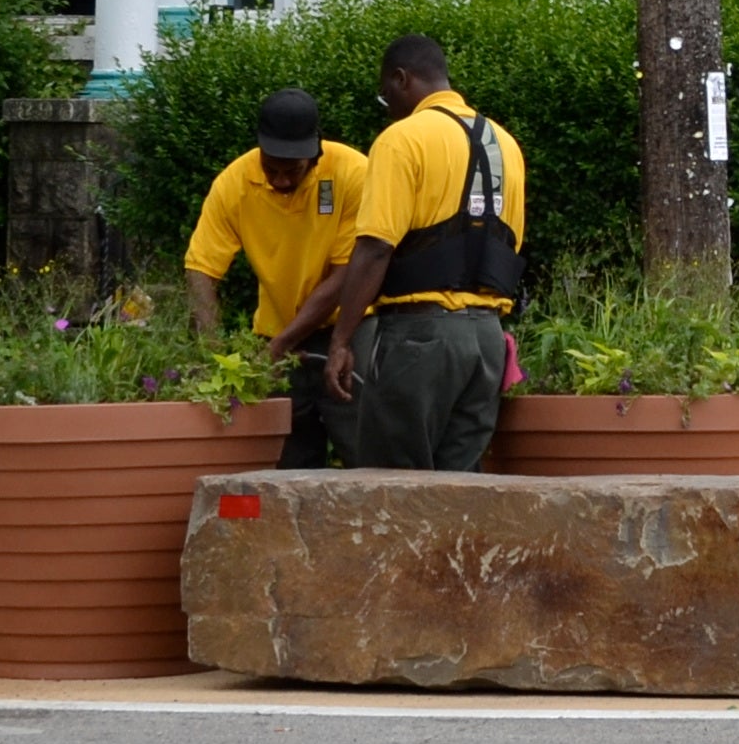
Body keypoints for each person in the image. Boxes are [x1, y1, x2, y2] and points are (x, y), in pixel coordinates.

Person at [294, 33, 526, 473]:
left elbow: (376, 247)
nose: (389, 106)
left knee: (395, 488)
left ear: (401, 80)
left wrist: (342, 340)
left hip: (420, 340)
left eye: (386, 96)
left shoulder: (402, 139)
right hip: (487, 342)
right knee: (461, 490)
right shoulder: (506, 145)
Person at [184, 89, 368, 468]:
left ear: (315, 154)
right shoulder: (235, 182)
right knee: (288, 461)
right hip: (278, 337)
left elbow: (348, 273)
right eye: (272, 169)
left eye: (293, 171)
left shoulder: (352, 173)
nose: (281, 181)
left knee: (362, 454)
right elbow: (201, 268)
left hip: (347, 335)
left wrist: (278, 347)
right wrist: (216, 354)